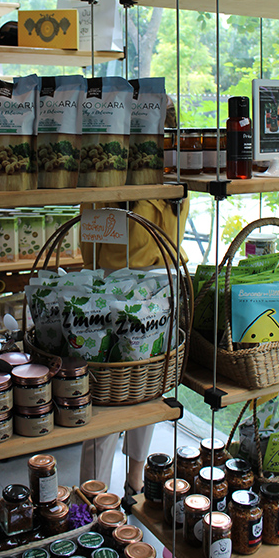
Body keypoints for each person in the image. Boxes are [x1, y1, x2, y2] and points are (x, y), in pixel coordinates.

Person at [79, 196, 189, 494]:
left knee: (149, 386)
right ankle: (93, 493)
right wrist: (92, 282)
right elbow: (90, 237)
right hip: (116, 286)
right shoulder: (113, 188)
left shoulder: (172, 184)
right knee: (105, 393)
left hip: (159, 285)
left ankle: (134, 479)